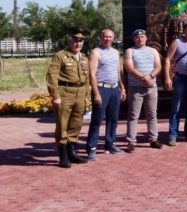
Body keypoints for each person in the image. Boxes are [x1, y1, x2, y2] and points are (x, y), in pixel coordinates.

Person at [47, 26, 91, 168]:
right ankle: (63, 155)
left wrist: (87, 96)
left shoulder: (84, 57)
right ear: (69, 40)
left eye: (80, 41)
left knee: (76, 123)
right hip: (65, 93)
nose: (78, 43)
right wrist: (56, 96)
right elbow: (52, 77)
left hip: (80, 93)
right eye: (75, 40)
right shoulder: (60, 56)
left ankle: (72, 152)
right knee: (62, 124)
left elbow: (87, 78)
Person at [86, 28, 126, 160]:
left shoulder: (115, 52)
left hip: (114, 89)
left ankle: (110, 143)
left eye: (110, 37)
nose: (107, 39)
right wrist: (96, 93)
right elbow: (92, 74)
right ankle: (92, 148)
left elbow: (118, 71)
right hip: (102, 89)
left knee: (113, 119)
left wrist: (122, 88)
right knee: (97, 120)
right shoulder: (96, 52)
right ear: (101, 38)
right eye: (105, 36)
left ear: (113, 38)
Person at [124, 28, 162, 151]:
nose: (139, 39)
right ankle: (131, 141)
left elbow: (158, 66)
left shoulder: (153, 51)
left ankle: (153, 139)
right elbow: (129, 68)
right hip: (136, 88)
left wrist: (150, 76)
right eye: (137, 37)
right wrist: (144, 78)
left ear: (146, 38)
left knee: (152, 114)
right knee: (133, 115)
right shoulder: (130, 51)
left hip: (151, 87)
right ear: (134, 39)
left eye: (142, 37)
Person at [163, 22, 187, 146]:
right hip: (180, 79)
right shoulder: (177, 42)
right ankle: (173, 135)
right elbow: (167, 59)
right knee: (176, 108)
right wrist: (167, 77)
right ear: (184, 30)